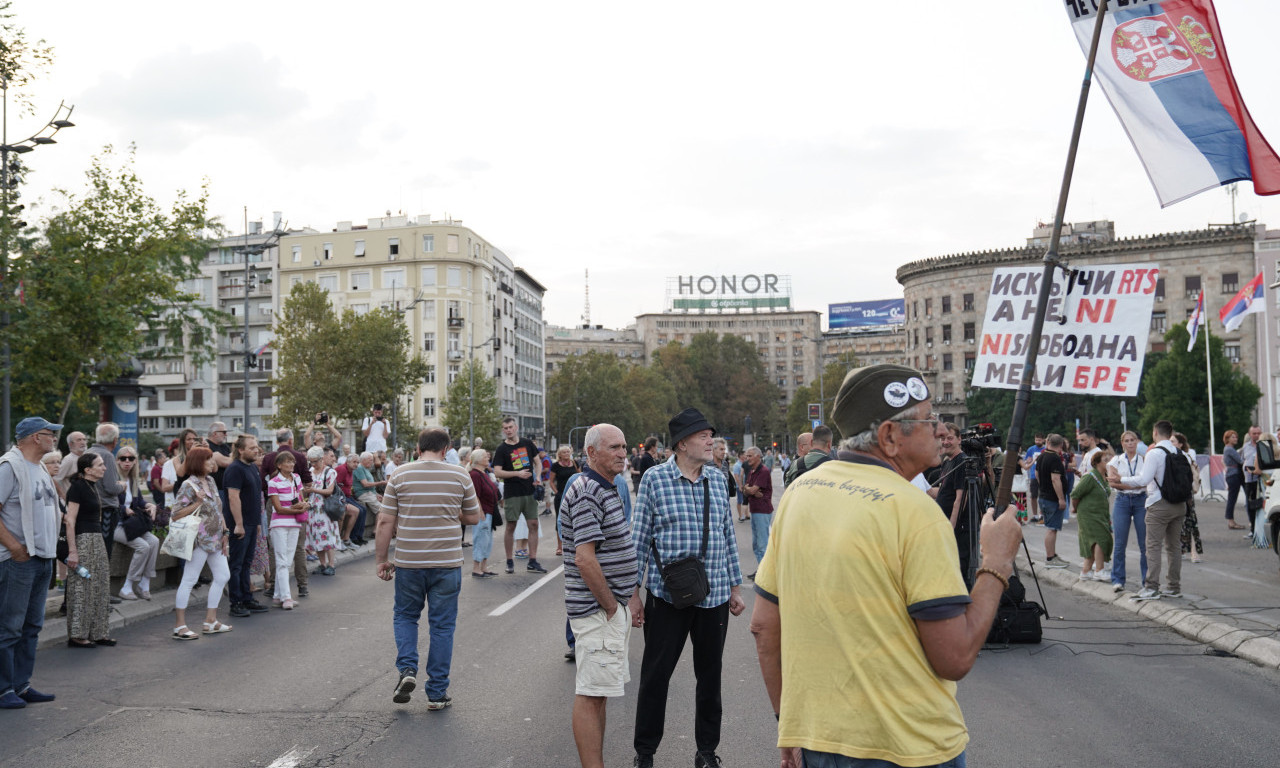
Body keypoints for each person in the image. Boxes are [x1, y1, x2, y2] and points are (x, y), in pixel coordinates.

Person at [749, 364, 1023, 768]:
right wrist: (996, 563)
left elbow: (763, 625)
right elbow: (956, 657)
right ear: (890, 437)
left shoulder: (800, 492)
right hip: (909, 750)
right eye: (928, 419)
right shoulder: (916, 513)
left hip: (817, 741)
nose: (939, 429)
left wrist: (787, 724)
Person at [628, 408, 745, 768]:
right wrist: (633, 594)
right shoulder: (654, 480)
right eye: (703, 436)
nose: (712, 441)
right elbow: (640, 538)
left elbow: (727, 536)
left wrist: (736, 588)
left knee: (710, 678)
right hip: (667, 597)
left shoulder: (716, 478)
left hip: (714, 595)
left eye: (712, 435)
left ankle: (707, 752)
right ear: (682, 443)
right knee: (655, 677)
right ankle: (645, 753)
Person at [377, 428, 482, 710]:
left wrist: (381, 559)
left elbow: (385, 522)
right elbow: (475, 516)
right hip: (447, 563)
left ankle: (408, 670)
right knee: (442, 627)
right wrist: (452, 510)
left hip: (409, 562)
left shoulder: (399, 474)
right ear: (446, 448)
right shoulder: (460, 474)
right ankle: (436, 693)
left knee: (405, 616)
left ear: (417, 447)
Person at [560, 424, 638, 768]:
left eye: (623, 447)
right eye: (614, 448)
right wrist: (609, 605)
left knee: (599, 693)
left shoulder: (606, 487)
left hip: (608, 610)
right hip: (597, 611)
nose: (623, 453)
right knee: (591, 695)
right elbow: (584, 557)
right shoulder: (589, 489)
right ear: (591, 453)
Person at [0, 417, 63, 708]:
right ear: (35, 437)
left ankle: (21, 685)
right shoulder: (9, 467)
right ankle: (3, 690)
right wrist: (14, 547)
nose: (54, 438)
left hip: (43, 557)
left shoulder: (38, 468)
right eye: (50, 434)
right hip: (19, 560)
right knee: (10, 627)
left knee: (31, 626)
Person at [1111, 420, 1185, 601]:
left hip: (1159, 504)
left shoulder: (1154, 453)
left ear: (1155, 433)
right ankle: (1174, 586)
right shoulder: (1178, 451)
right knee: (1174, 547)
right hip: (1179, 504)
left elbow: (1144, 480)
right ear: (1170, 433)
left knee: (1152, 546)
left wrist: (1122, 478)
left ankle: (1151, 587)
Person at [169, 446, 232, 640]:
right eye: (208, 459)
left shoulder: (211, 481)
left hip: (215, 538)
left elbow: (218, 510)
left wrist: (225, 532)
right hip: (198, 539)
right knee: (189, 579)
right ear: (198, 462)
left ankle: (210, 621)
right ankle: (180, 626)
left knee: (222, 576)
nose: (213, 462)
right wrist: (196, 503)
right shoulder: (189, 485)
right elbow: (176, 514)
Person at [64, 452, 114, 648]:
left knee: (100, 584)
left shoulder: (92, 486)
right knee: (82, 587)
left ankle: (98, 632)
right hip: (83, 540)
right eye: (100, 465)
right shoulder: (77, 488)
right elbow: (70, 521)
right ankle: (77, 635)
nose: (105, 468)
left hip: (96, 538)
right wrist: (73, 551)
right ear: (88, 469)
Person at [493, 417, 546, 575]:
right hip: (512, 493)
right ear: (504, 430)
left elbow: (538, 462)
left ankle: (533, 560)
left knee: (533, 525)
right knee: (511, 526)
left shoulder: (527, 443)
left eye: (510, 427)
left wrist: (537, 478)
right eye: (505, 428)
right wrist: (517, 473)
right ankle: (509, 561)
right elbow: (497, 472)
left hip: (529, 492)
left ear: (516, 427)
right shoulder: (502, 449)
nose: (508, 430)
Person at [224, 435, 269, 619]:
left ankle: (247, 597)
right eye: (252, 448)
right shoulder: (235, 469)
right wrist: (239, 524)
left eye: (257, 447)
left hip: (252, 523)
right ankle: (236, 602)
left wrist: (257, 523)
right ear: (241, 450)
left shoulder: (252, 468)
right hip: (239, 525)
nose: (256, 450)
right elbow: (233, 498)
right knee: (236, 564)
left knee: (246, 563)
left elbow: (255, 498)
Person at [112, 446, 161, 601]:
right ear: (117, 460)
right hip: (116, 524)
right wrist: (123, 509)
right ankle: (127, 586)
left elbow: (139, 501)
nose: (127, 461)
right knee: (143, 546)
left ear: (135, 461)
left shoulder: (132, 480)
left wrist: (150, 505)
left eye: (131, 458)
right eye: (123, 458)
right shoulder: (113, 478)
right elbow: (106, 502)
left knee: (154, 541)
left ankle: (144, 583)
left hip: (130, 524)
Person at [1106, 430, 1148, 594]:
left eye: (1133, 440)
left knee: (1144, 544)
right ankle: (1117, 580)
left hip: (1140, 501)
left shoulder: (1144, 460)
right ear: (1122, 443)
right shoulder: (1115, 461)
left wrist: (1122, 481)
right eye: (1127, 441)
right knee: (1120, 543)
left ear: (1137, 442)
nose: (1130, 443)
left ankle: (1147, 581)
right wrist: (1134, 483)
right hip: (1122, 501)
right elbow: (1113, 484)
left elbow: (1145, 483)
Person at [266, 451, 310, 610]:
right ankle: (286, 597)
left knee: (287, 560)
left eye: (292, 462)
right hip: (279, 524)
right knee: (281, 559)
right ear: (279, 465)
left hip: (295, 524)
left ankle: (278, 595)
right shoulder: (273, 482)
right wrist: (297, 510)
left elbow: (300, 498)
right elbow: (278, 509)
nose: (291, 464)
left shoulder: (296, 478)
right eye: (288, 462)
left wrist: (303, 505)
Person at [1072, 449, 1114, 581]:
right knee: (1100, 539)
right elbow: (1075, 494)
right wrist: (1076, 509)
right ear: (1096, 463)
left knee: (1093, 541)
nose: (1108, 463)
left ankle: (1086, 571)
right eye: (1105, 460)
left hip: (1100, 513)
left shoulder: (1104, 477)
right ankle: (1099, 570)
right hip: (1088, 514)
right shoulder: (1090, 476)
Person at [86, 424, 126, 562]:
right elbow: (110, 487)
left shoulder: (88, 452)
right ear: (115, 440)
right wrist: (122, 486)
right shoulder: (107, 456)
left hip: (90, 510)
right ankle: (101, 583)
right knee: (103, 552)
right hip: (106, 510)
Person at [1035, 434, 1070, 568]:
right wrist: (1061, 498)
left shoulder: (1042, 455)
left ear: (1048, 442)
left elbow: (1037, 474)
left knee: (1051, 527)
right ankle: (1050, 558)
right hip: (1052, 498)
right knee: (1052, 529)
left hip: (1043, 495)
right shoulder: (1055, 458)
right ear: (1061, 445)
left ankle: (1052, 554)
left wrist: (1043, 486)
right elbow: (1056, 479)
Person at [306, 446, 341, 575]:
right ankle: (322, 563)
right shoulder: (310, 471)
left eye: (315, 461)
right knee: (316, 537)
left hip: (325, 509)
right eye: (311, 461)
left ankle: (331, 564)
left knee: (328, 536)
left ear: (321, 459)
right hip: (312, 509)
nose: (313, 464)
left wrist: (313, 490)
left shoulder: (329, 472)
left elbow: (329, 491)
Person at [741, 446, 773, 576]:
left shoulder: (763, 471)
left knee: (762, 544)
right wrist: (750, 490)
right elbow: (746, 489)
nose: (746, 458)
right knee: (756, 544)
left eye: (749, 456)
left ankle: (766, 574)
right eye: (746, 455)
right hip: (755, 510)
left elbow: (752, 490)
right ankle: (761, 570)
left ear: (758, 456)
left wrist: (750, 490)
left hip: (762, 511)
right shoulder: (752, 471)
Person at [468, 450, 500, 578]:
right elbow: (475, 495)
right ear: (478, 459)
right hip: (483, 512)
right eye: (485, 456)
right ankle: (476, 568)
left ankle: (484, 566)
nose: (488, 458)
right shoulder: (475, 475)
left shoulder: (484, 473)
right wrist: (480, 511)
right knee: (480, 538)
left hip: (489, 511)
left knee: (487, 539)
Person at [1174, 432, 1204, 564]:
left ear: (1180, 444)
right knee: (1176, 522)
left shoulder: (1186, 456)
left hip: (1186, 493)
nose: (1170, 444)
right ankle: (1181, 549)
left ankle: (1193, 551)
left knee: (1190, 522)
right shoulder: (1166, 456)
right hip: (1173, 493)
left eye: (1173, 441)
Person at [1223, 430, 1248, 530]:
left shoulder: (1230, 449)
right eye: (1233, 437)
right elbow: (1241, 461)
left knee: (1232, 498)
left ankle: (1231, 521)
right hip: (1234, 475)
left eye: (1236, 437)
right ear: (1227, 439)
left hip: (1233, 474)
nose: (1235, 439)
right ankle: (1231, 521)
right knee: (1232, 499)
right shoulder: (1229, 449)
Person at [1241, 425, 1264, 533]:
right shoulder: (1246, 446)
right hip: (1248, 480)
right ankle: (1253, 529)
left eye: (1258, 433)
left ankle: (1260, 530)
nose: (1256, 435)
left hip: (1261, 480)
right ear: (1249, 434)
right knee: (1250, 505)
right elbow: (1242, 460)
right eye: (1254, 433)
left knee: (1261, 505)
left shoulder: (1265, 445)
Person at [1021, 433, 1046, 523]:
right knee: (1033, 496)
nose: (1037, 442)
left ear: (1043, 440)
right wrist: (1028, 461)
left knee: (1042, 496)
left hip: (1044, 476)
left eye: (1039, 440)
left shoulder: (1046, 449)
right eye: (1036, 440)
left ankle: (1042, 515)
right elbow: (1026, 461)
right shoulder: (1031, 449)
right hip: (1033, 475)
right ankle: (1035, 515)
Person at [54, 430, 88, 496]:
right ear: (70, 444)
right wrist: (64, 496)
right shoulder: (69, 459)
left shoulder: (86, 458)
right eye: (79, 440)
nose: (83, 442)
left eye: (84, 439)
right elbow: (55, 480)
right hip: (71, 502)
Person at [550, 445, 580, 518]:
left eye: (568, 452)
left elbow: (580, 477)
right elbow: (551, 481)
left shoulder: (575, 463)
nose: (566, 453)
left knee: (574, 517)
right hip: (561, 495)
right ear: (559, 454)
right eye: (564, 452)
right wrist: (557, 493)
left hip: (574, 495)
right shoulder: (555, 465)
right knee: (560, 517)